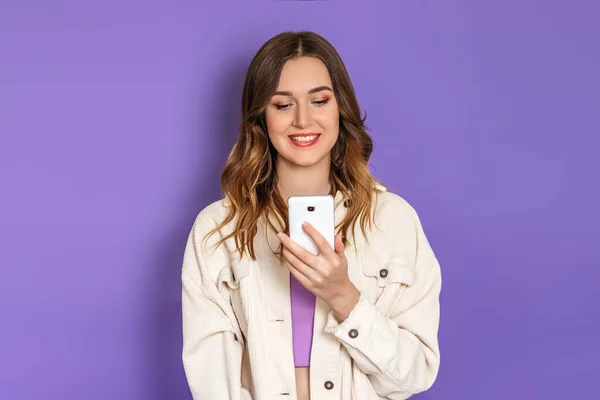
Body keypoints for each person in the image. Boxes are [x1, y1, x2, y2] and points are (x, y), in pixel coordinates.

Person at [181, 31, 442, 400]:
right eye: (282, 105)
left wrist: (344, 297)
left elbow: (414, 375)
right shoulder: (217, 230)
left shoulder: (394, 221)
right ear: (261, 117)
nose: (303, 120)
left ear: (340, 108)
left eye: (319, 100)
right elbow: (211, 380)